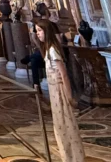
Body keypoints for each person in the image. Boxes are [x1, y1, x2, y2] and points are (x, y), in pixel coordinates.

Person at [35, 20, 84, 162]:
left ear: (47, 31)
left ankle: (74, 156)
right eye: (36, 31)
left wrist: (69, 96)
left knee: (66, 123)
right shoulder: (48, 49)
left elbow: (64, 75)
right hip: (54, 92)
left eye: (39, 30)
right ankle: (67, 155)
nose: (37, 34)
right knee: (60, 124)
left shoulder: (53, 50)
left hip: (60, 91)